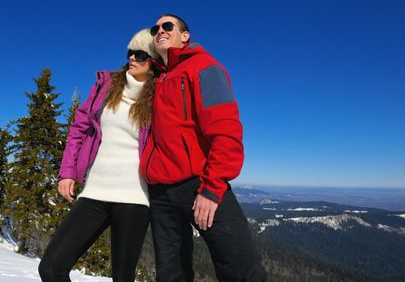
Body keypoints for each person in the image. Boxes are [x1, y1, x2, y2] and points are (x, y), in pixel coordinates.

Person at [140, 14, 267, 281]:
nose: (159, 31)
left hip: (199, 183)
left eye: (167, 26)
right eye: (155, 28)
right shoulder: (156, 79)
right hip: (161, 192)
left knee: (239, 266)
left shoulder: (204, 67)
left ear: (185, 36)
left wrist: (212, 187)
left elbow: (225, 128)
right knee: (171, 273)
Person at [38, 28, 159, 282]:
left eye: (140, 55)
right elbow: (79, 128)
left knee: (122, 278)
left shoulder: (160, 96)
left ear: (154, 63)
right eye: (130, 53)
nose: (132, 59)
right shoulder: (106, 86)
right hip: (95, 192)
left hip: (134, 198)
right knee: (51, 268)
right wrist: (68, 172)